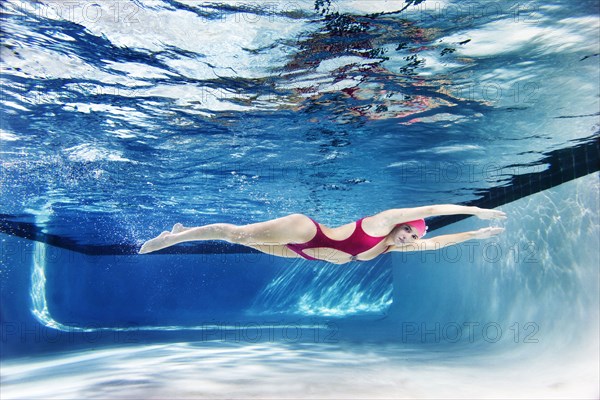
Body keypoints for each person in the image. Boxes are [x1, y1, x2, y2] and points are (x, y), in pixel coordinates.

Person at [139, 204, 506, 264]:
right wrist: (474, 210)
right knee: (237, 236)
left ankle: (184, 231)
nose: (409, 239)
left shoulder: (391, 248)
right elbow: (428, 211)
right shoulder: (381, 225)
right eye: (408, 232)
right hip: (305, 231)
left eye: (412, 237)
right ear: (400, 224)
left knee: (242, 243)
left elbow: (438, 241)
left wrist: (475, 235)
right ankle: (171, 238)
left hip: (299, 253)